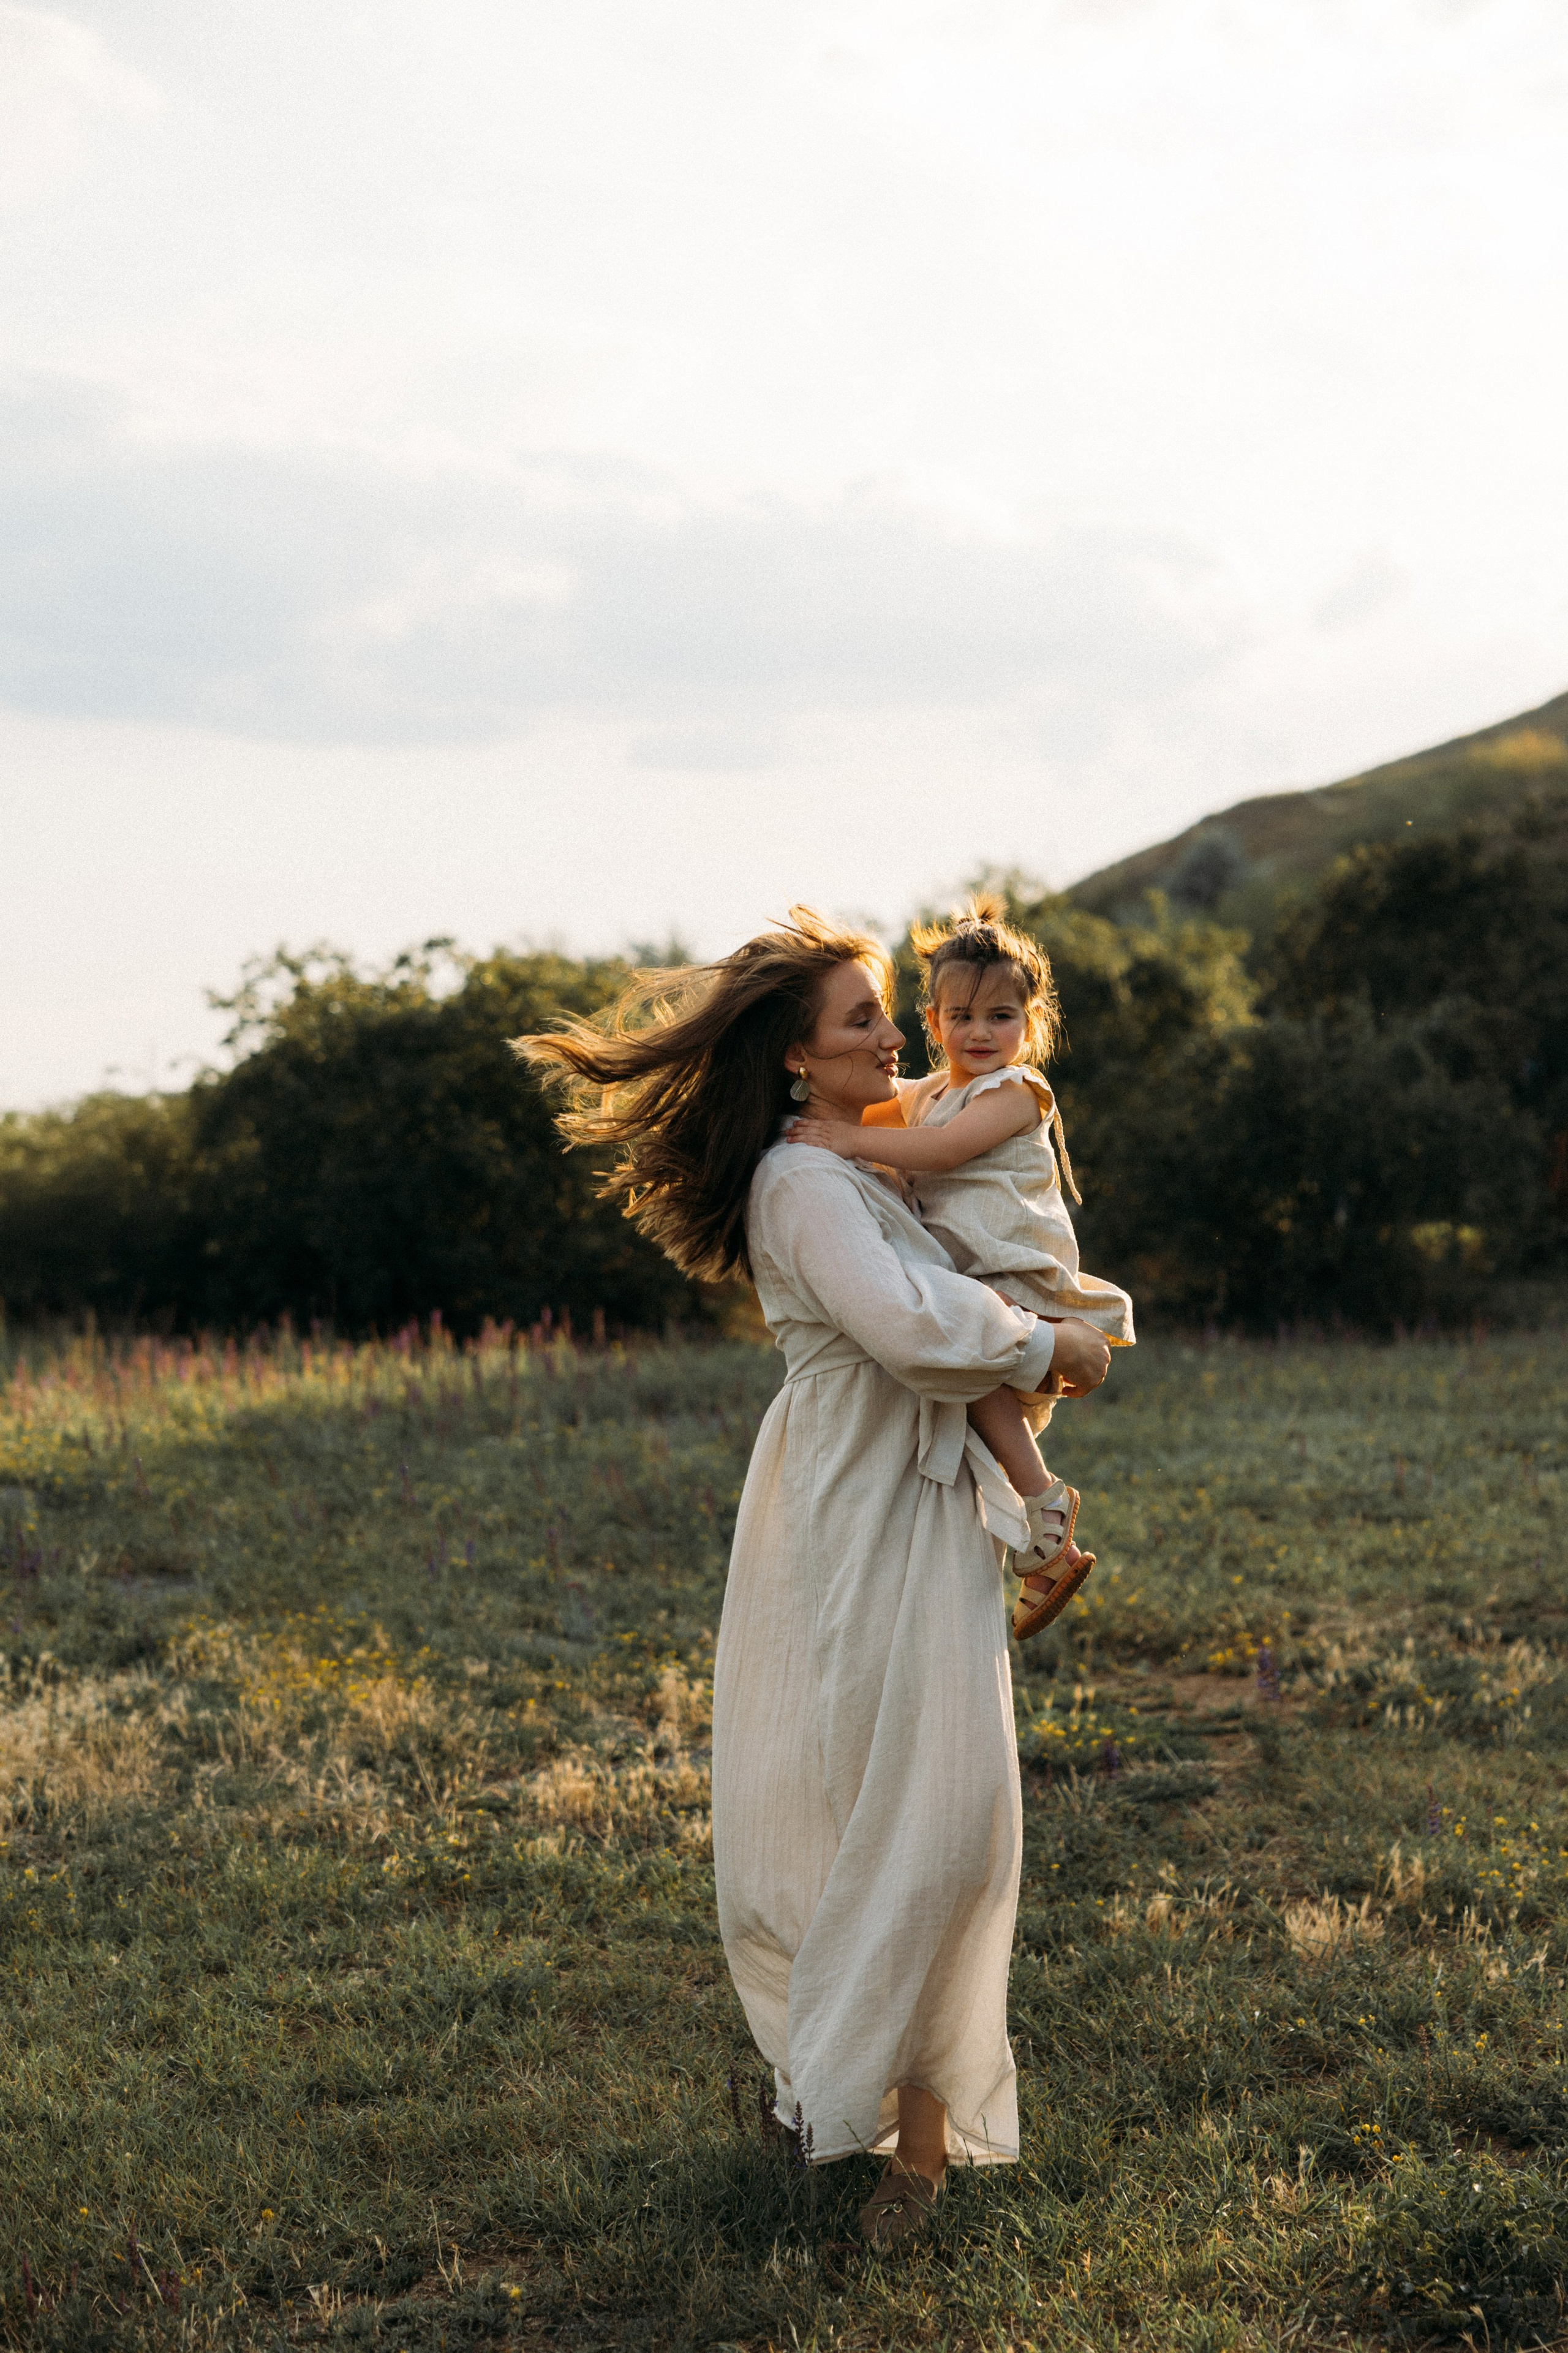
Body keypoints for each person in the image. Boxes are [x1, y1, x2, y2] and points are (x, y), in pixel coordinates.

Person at [514, 912, 1109, 2250]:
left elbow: (955, 1259)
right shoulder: (801, 1180)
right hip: (849, 1503)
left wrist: (1028, 1363)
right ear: (795, 1056)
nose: (891, 1035)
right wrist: (1051, 1342)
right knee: (878, 1808)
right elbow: (909, 1327)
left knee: (940, 1817)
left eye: (886, 1013)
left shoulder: (871, 1161)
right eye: (861, 1019)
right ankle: (848, 2105)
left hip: (918, 1495)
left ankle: (897, 2132)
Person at [786, 893, 1134, 1641]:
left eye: (1001, 1016)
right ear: (933, 1022)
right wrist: (800, 1120)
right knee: (970, 1392)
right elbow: (860, 1106)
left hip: (1010, 1265)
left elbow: (939, 1153)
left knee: (974, 1376)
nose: (980, 1033)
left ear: (1029, 1024)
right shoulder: (931, 1092)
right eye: (961, 1017)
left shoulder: (1016, 1091)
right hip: (971, 1272)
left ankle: (1043, 1504)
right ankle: (1047, 1543)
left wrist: (842, 1144)